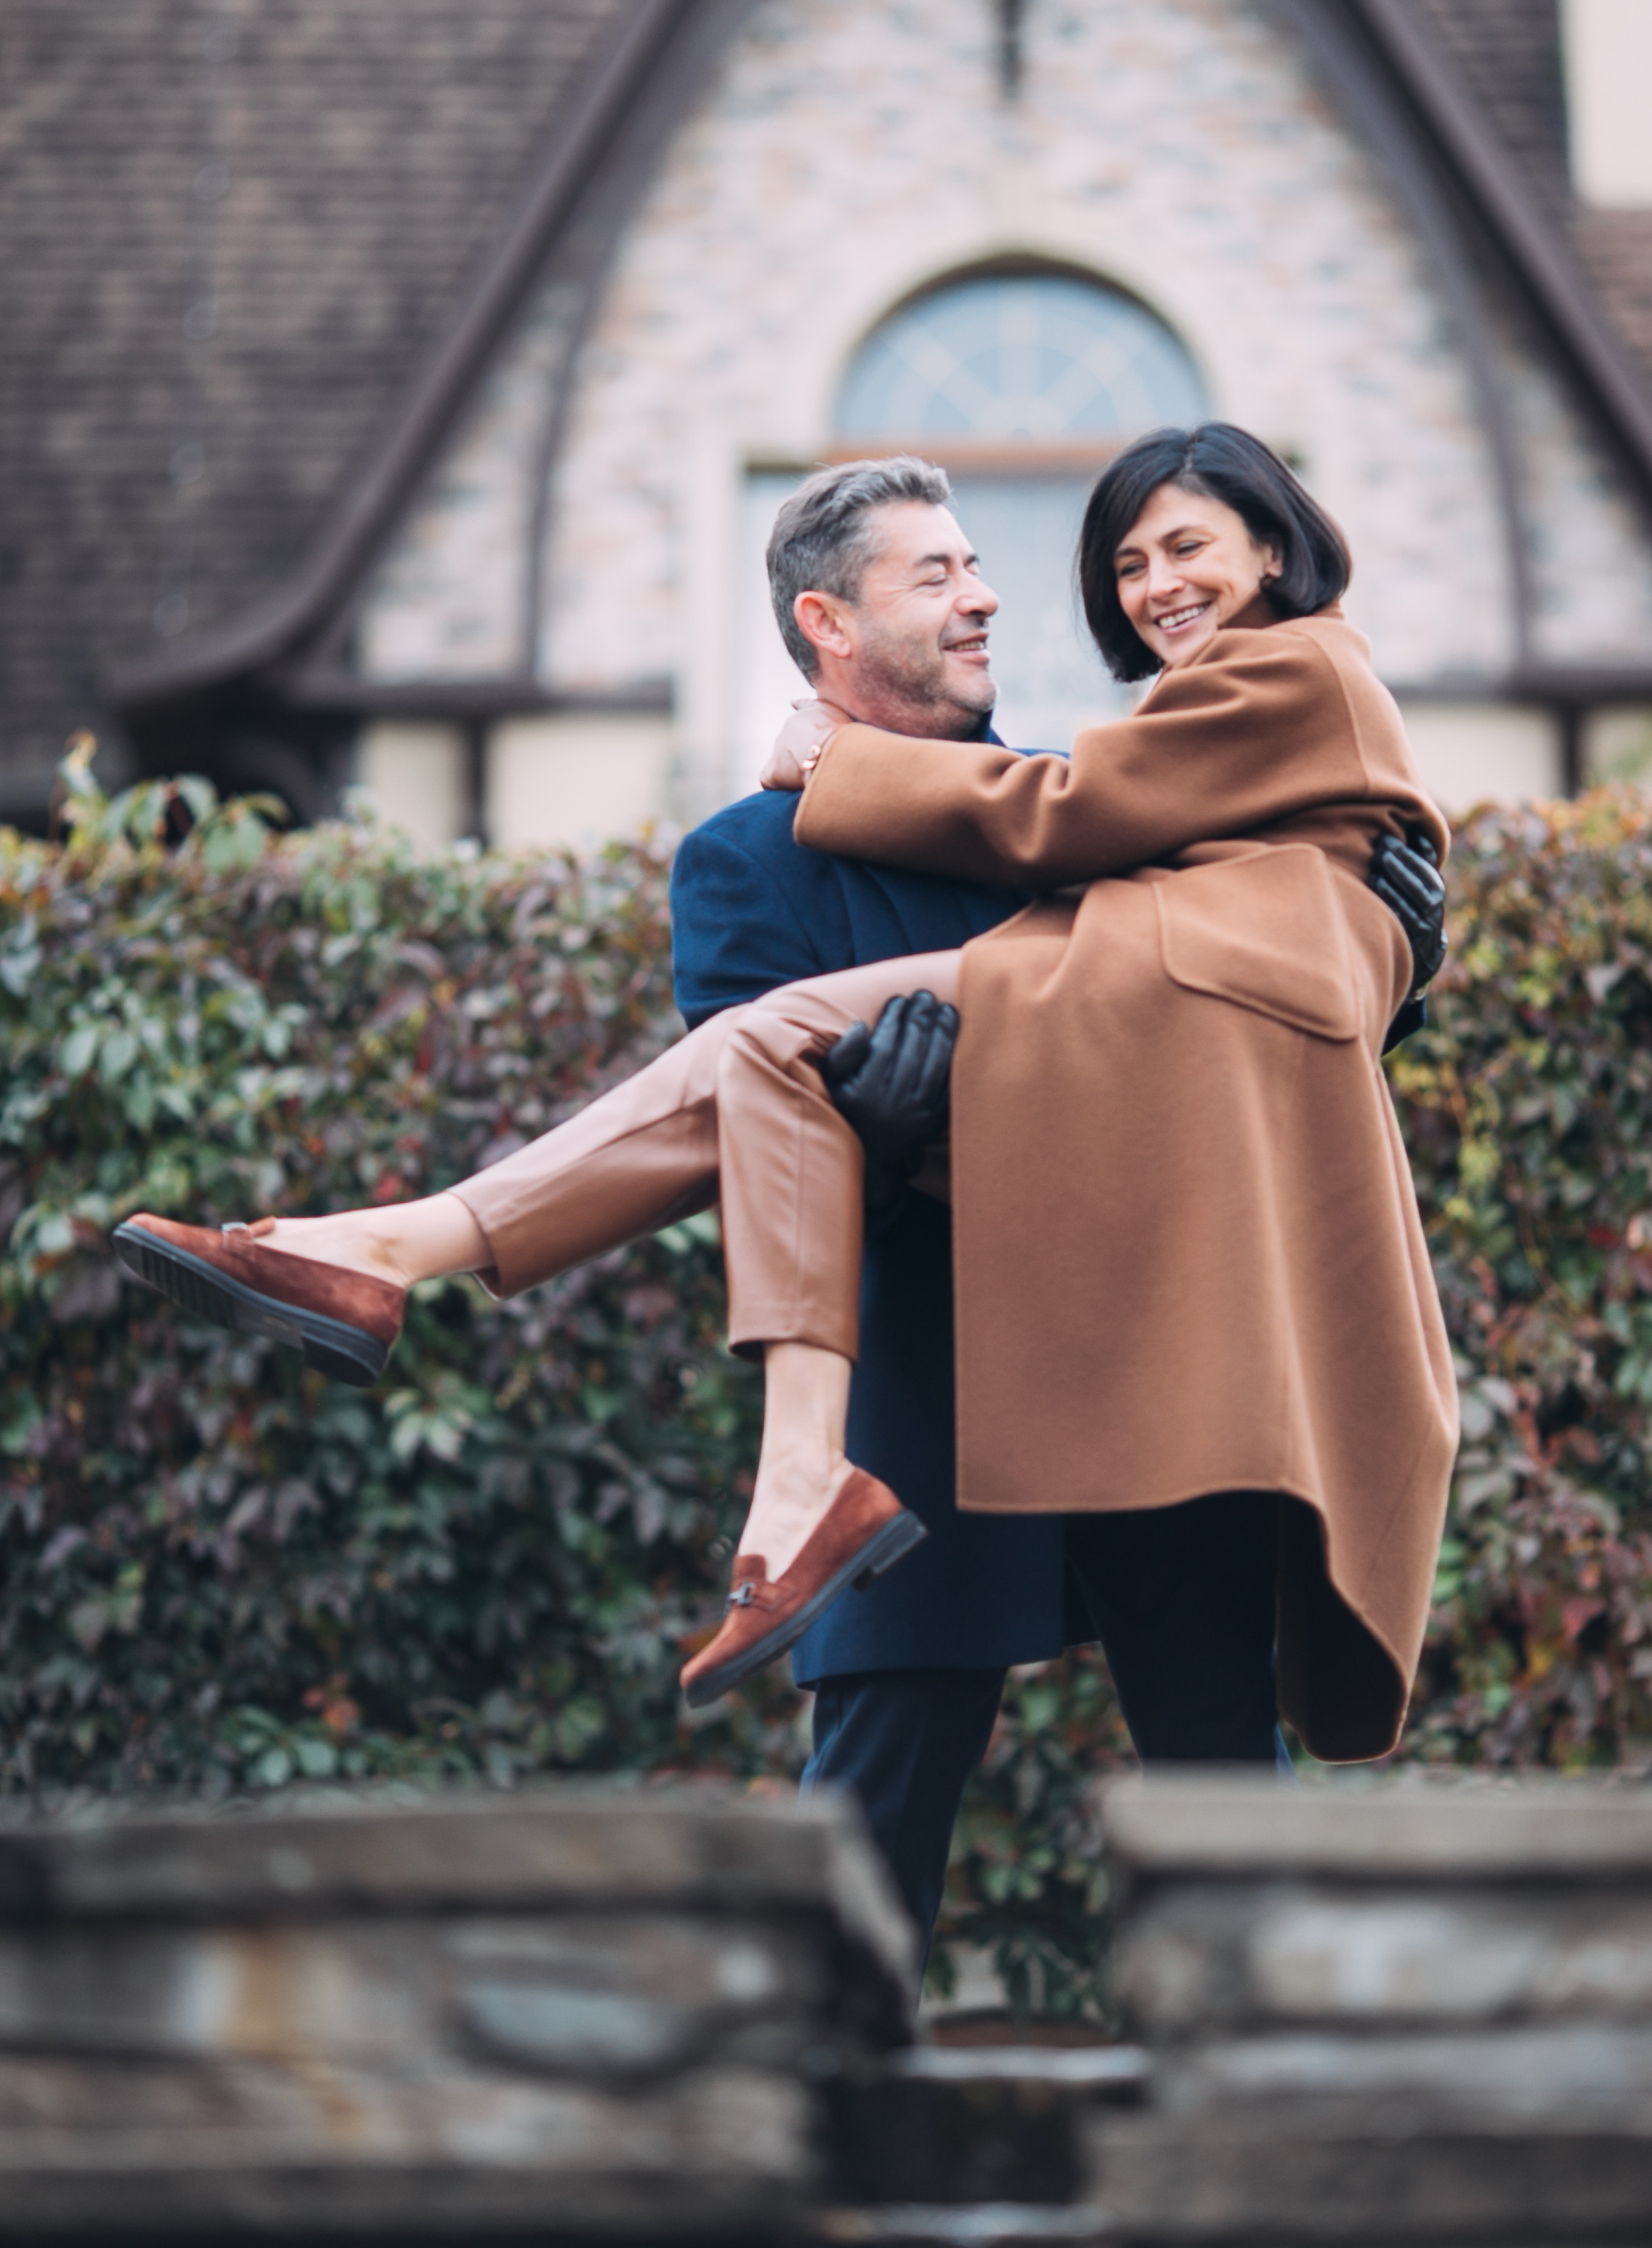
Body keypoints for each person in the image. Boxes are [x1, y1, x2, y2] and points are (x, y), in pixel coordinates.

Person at [112, 437, 1451, 1948]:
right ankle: (817, 2124)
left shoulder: (1090, 804)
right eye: (937, 575)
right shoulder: (748, 858)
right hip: (932, 1387)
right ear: (826, 621)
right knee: (876, 1808)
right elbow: (754, 1142)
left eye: (983, 570)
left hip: (1149, 1340)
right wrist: (883, 1133)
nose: (987, 602)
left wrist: (1385, 962)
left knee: (1220, 1772)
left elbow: (1218, 1038)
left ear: (1268, 551)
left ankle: (399, 1254)